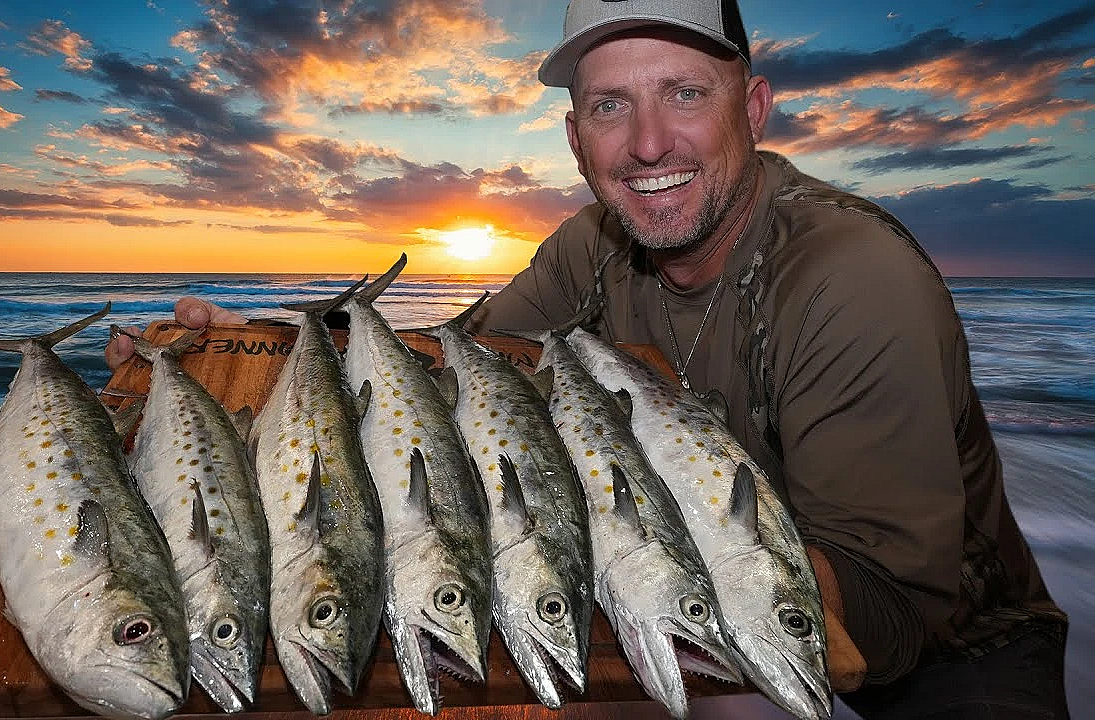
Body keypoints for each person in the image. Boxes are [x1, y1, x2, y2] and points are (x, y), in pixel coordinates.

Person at [106, 0, 1069, 717]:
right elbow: (454, 362)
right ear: (575, 138)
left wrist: (618, 562)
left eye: (685, 94)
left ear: (757, 107)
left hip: (951, 660)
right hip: (716, 608)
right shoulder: (595, 243)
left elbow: (894, 615)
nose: (650, 143)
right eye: (611, 106)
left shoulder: (853, 280)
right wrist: (257, 338)